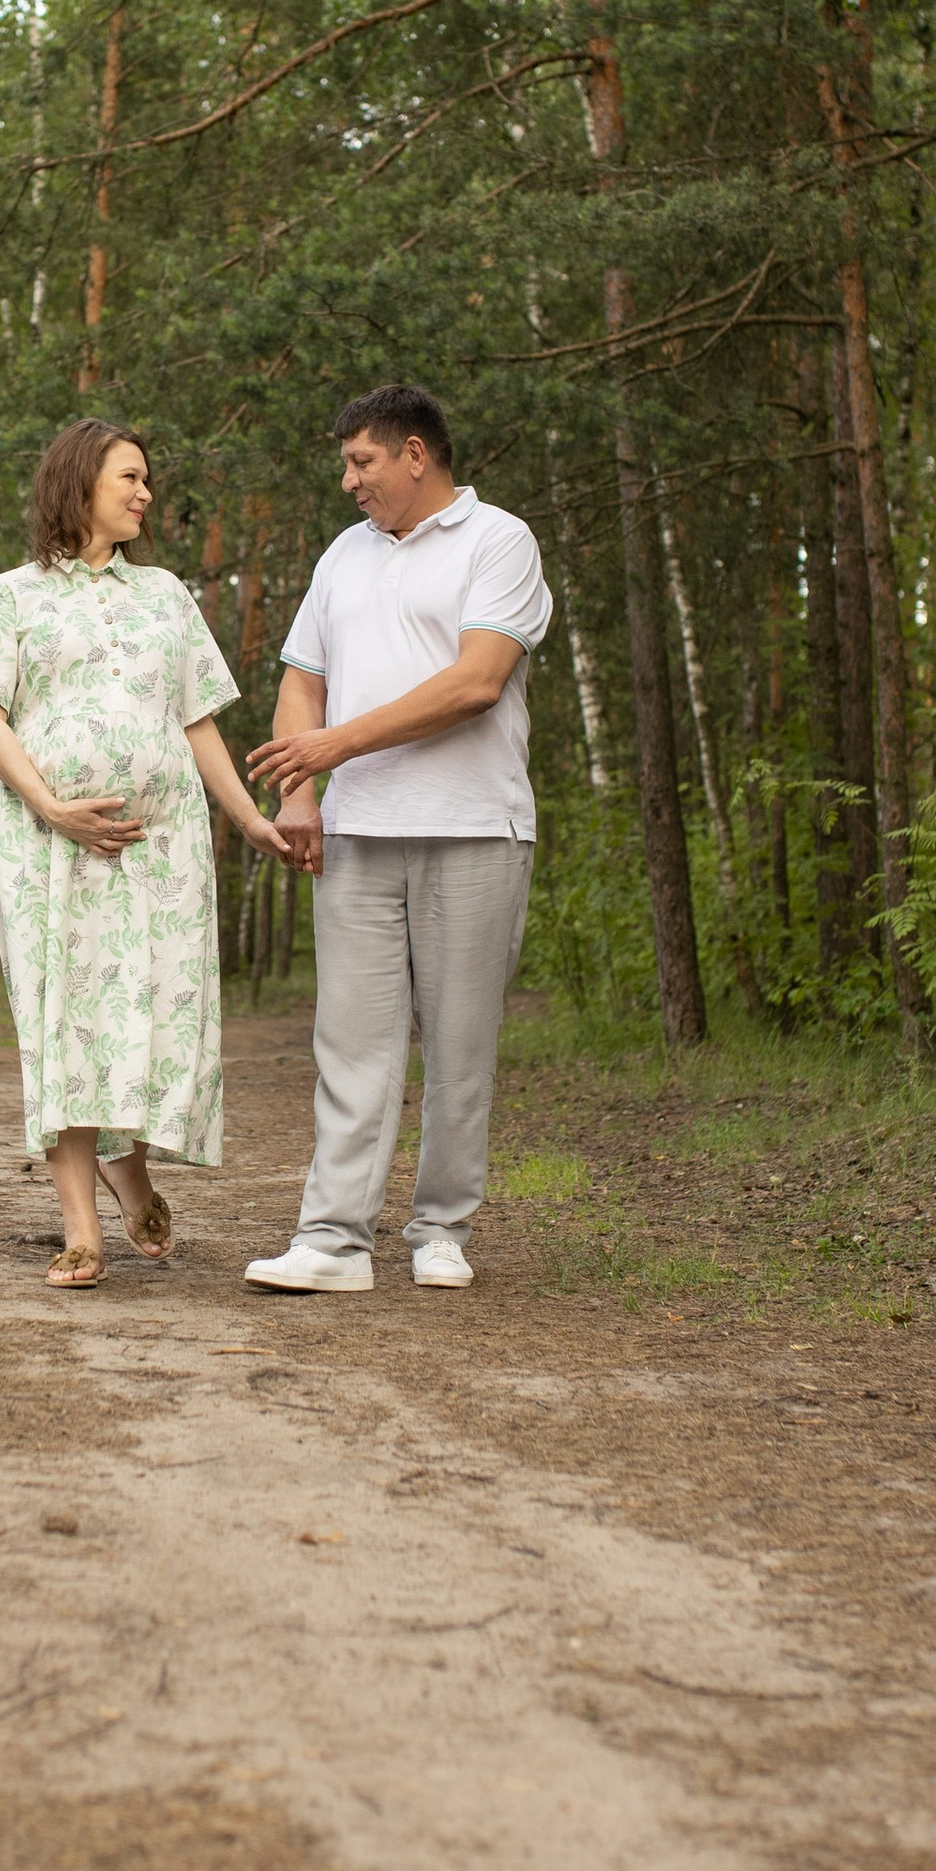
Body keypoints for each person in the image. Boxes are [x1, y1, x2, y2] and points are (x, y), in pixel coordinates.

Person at [0, 418, 291, 1290]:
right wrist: (54, 806)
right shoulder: (10, 595)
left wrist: (247, 819)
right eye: (129, 478)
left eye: (147, 481)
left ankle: (128, 1168)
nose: (144, 494)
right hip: (45, 844)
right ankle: (82, 1230)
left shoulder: (166, 596)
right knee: (64, 1019)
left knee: (143, 1015)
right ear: (79, 483)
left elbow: (197, 722)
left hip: (160, 852)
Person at [242, 384, 551, 1293]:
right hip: (357, 836)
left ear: (416, 455)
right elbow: (304, 679)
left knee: (460, 1045)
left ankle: (441, 1230)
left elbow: (476, 683)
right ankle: (332, 1242)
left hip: (472, 829)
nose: (348, 482)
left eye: (361, 462)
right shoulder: (344, 555)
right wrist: (301, 794)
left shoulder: (501, 541)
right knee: (352, 1042)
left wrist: (337, 743)